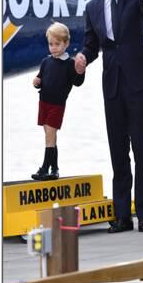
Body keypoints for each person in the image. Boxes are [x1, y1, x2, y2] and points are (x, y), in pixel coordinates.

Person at [75, 0, 143, 233]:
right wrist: (83, 58)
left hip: (138, 81)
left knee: (142, 147)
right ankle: (122, 215)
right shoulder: (93, 7)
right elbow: (91, 45)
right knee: (118, 150)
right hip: (112, 83)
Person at [31, 22, 85, 181]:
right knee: (49, 136)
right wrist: (36, 81)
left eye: (57, 44)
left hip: (57, 105)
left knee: (50, 135)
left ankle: (44, 168)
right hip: (44, 103)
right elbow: (41, 77)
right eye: (50, 44)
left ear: (66, 43)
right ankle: (54, 169)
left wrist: (81, 71)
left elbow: (77, 81)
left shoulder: (69, 64)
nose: (53, 47)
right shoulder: (46, 61)